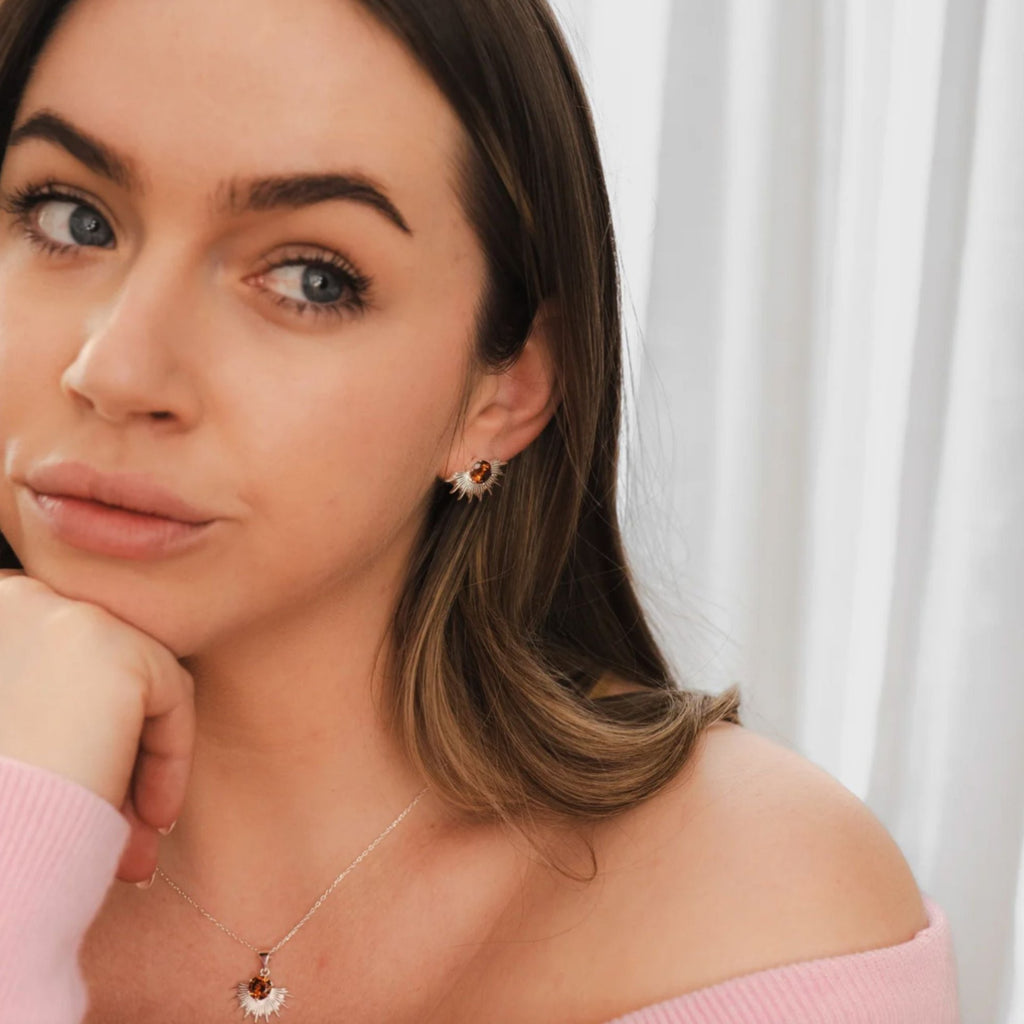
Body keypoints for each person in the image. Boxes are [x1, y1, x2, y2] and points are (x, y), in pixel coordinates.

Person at [0, 0, 960, 1021]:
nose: (116, 368)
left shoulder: (757, 902)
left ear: (502, 392)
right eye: (71, 218)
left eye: (309, 277)